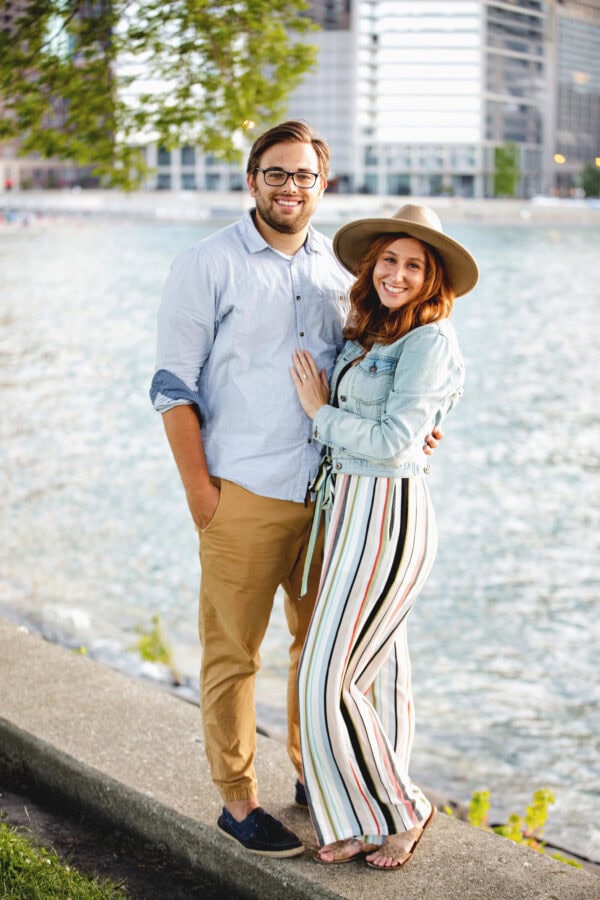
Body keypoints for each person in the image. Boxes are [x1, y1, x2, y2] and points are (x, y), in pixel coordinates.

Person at [150, 121, 441, 858]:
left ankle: (319, 776)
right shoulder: (206, 264)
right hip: (243, 493)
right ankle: (238, 800)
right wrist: (201, 497)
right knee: (234, 654)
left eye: (304, 175)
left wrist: (420, 429)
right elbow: (171, 387)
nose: (289, 187)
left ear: (322, 185)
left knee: (319, 653)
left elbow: (372, 371)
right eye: (275, 173)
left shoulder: (335, 272)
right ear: (252, 180)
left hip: (334, 501)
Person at [290, 203, 478, 870]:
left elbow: (398, 442)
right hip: (350, 510)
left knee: (324, 679)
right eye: (390, 261)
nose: (398, 274)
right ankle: (362, 818)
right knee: (378, 674)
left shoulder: (431, 339)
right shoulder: (370, 331)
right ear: (374, 267)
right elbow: (421, 420)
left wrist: (321, 415)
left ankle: (404, 808)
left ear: (434, 279)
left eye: (414, 265)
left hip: (387, 514)